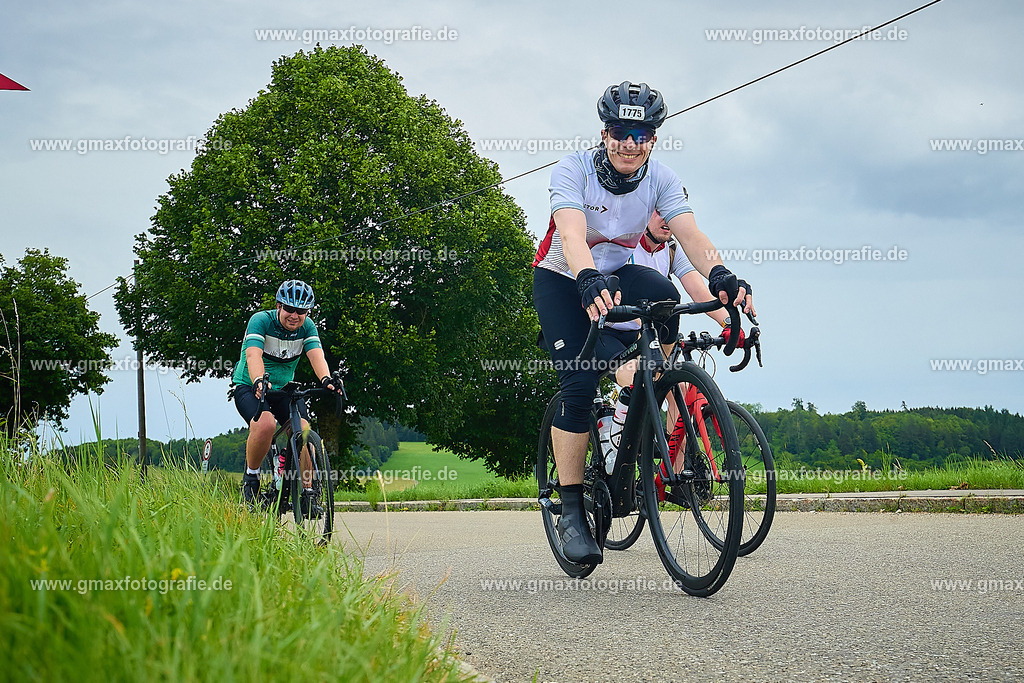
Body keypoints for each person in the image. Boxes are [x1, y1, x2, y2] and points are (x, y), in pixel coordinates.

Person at [532, 81, 754, 564]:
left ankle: (648, 393)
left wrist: (721, 275)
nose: (630, 142)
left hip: (617, 275)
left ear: (654, 138)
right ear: (604, 132)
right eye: (620, 131)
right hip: (562, 278)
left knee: (663, 294)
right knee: (578, 385)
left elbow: (689, 235)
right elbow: (570, 233)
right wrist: (586, 275)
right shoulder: (572, 169)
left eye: (642, 132)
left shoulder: (663, 179)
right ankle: (570, 509)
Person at [230, 279, 344, 511]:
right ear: (279, 306)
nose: (295, 315)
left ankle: (308, 493)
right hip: (250, 385)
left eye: (301, 311)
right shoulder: (261, 321)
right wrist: (259, 381)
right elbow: (253, 355)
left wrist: (326, 380)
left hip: (284, 389)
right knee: (265, 425)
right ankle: (251, 479)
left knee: (304, 432)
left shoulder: (307, 327)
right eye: (289, 309)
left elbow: (316, 355)